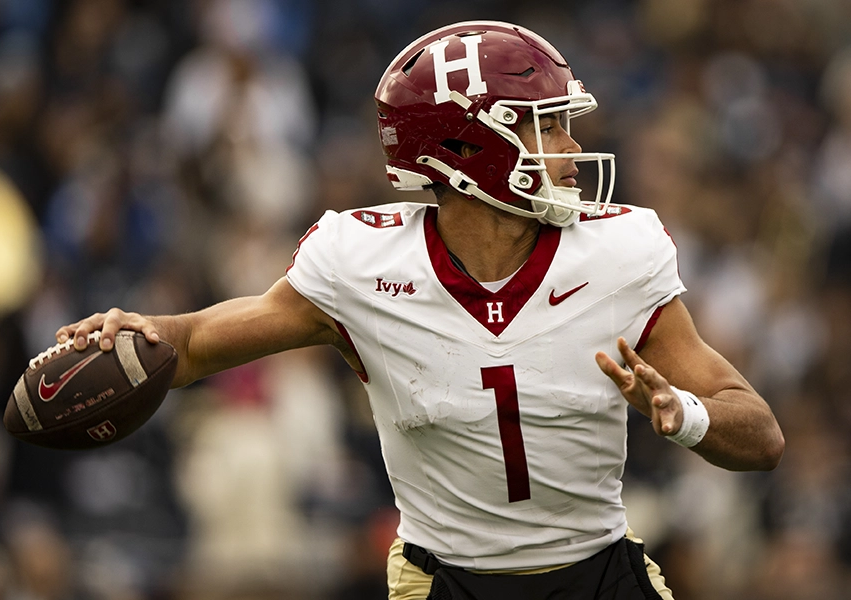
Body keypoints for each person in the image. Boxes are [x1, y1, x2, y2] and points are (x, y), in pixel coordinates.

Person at [55, 21, 784, 600]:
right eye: (547, 126)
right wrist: (136, 335)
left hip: (597, 574)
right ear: (470, 148)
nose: (573, 147)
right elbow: (199, 343)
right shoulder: (359, 264)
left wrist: (683, 414)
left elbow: (761, 437)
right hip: (448, 582)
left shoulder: (620, 254)